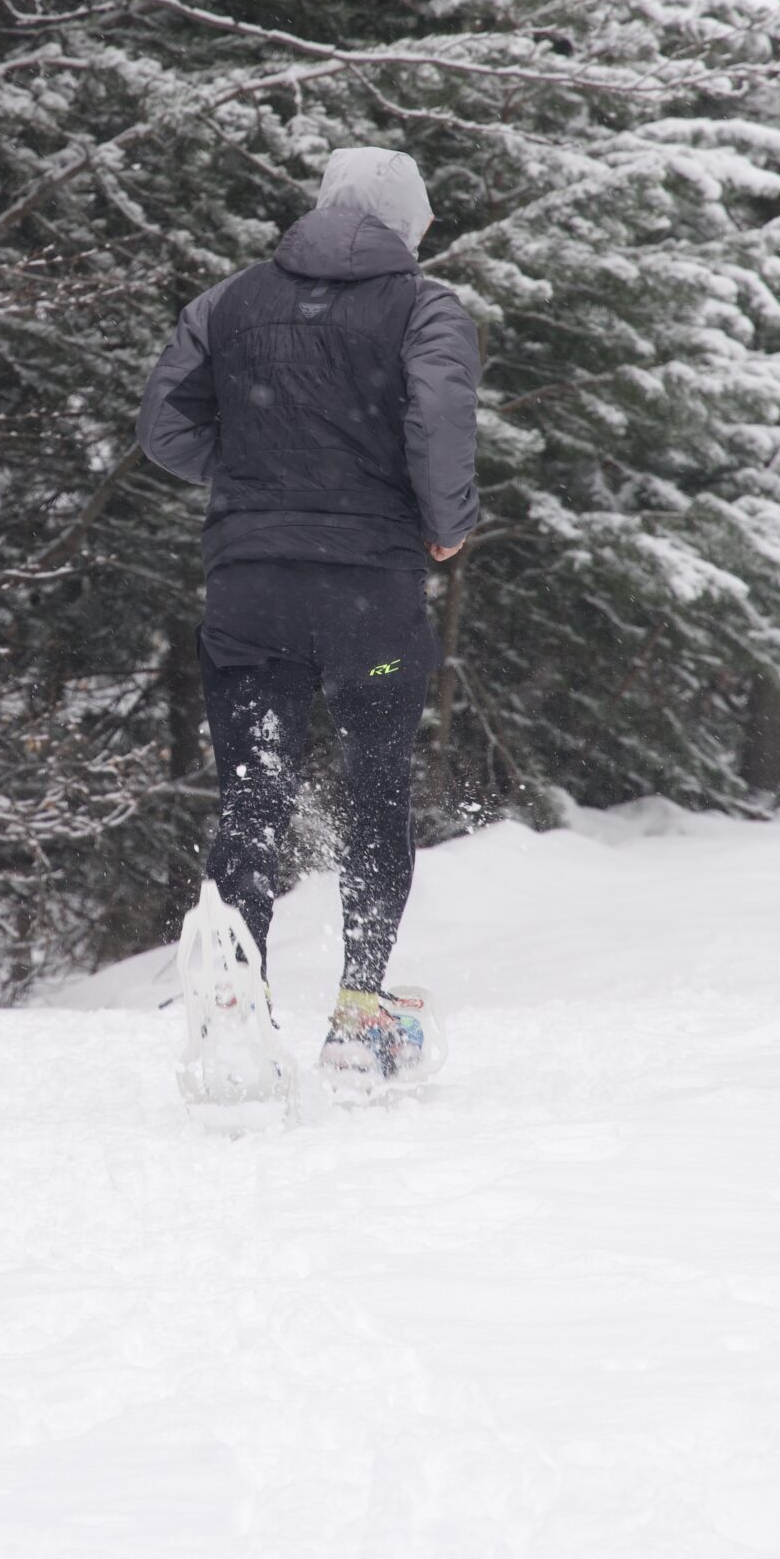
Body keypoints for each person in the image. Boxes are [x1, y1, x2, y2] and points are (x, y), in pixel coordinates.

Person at [136, 145, 480, 1087]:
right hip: (370, 593)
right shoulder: (425, 308)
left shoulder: (228, 301)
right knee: (375, 791)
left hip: (250, 587)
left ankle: (233, 1016)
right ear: (408, 224)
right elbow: (438, 420)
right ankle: (359, 1017)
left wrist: (258, 481)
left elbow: (163, 428)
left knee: (254, 795)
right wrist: (446, 523)